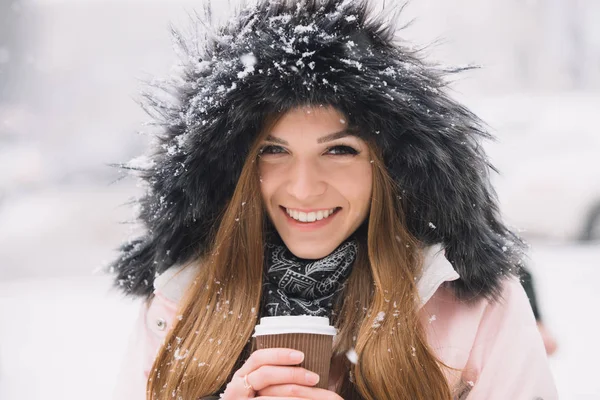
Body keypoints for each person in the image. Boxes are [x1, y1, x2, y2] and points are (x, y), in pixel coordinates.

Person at [110, 1, 558, 399]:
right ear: (235, 167)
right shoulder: (179, 298)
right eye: (274, 150)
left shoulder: (472, 304)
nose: (304, 188)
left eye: (339, 150)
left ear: (387, 165)